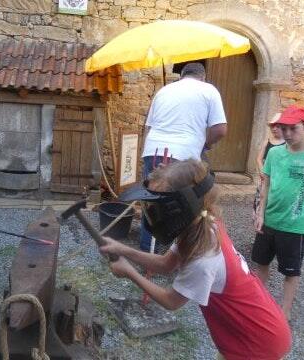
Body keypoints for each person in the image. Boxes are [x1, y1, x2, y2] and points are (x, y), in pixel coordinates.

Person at [100, 159, 291, 360]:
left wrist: (129, 272)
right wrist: (122, 249)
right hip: (257, 328)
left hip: (259, 342)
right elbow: (166, 264)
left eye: (158, 205)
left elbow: (171, 301)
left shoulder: (203, 257)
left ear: (181, 206)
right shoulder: (201, 223)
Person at [253, 105, 304, 321]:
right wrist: (260, 213)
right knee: (261, 263)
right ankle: (259, 305)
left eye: (293, 129)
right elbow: (266, 184)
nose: (287, 134)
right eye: (284, 128)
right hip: (269, 219)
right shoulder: (275, 153)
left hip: (294, 224)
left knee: (291, 271)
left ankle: (284, 312)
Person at [139, 62, 227, 252]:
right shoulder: (208, 90)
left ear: (181, 76)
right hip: (182, 154)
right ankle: (178, 254)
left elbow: (148, 127)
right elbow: (220, 129)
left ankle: (149, 250)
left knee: (152, 201)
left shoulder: (164, 91)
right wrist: (206, 143)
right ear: (202, 76)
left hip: (152, 150)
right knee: (185, 206)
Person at [253, 113, 285, 217]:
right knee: (261, 198)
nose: (274, 129)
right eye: (273, 126)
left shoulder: (287, 144)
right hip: (265, 177)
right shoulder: (267, 142)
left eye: (278, 126)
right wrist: (262, 171)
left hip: (279, 178)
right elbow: (259, 158)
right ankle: (258, 218)